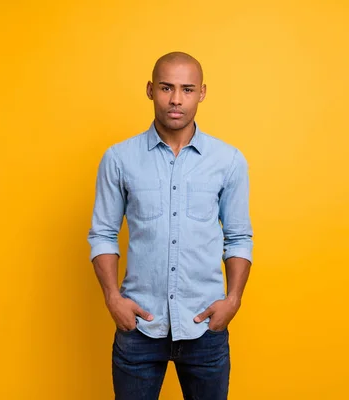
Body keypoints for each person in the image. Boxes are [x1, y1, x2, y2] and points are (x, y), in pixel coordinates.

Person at [87, 51, 253, 400]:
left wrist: (233, 300)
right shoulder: (119, 159)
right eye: (166, 87)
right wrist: (112, 298)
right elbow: (103, 233)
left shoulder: (228, 160)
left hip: (205, 328)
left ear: (202, 93)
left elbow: (238, 237)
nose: (176, 99)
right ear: (150, 89)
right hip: (139, 328)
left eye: (187, 89)